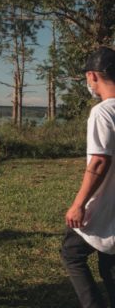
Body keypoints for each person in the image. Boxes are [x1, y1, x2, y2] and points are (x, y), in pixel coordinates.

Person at [61, 46, 115, 308]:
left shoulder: (103, 112)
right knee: (110, 265)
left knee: (71, 252)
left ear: (93, 76)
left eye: (86, 79)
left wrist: (78, 203)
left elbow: (100, 160)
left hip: (105, 203)